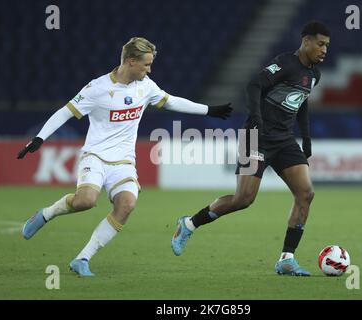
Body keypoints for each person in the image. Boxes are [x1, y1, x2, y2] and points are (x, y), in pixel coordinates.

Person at [18, 37, 232, 277]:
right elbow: (65, 112)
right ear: (131, 62)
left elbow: (171, 101)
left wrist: (209, 110)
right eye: (146, 65)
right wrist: (39, 138)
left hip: (124, 161)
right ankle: (47, 213)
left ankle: (82, 258)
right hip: (95, 156)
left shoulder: (146, 86)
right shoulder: (97, 88)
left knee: (127, 205)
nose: (149, 70)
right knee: (85, 201)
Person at [171, 21, 330, 276]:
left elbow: (301, 103)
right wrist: (256, 117)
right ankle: (189, 223)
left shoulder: (315, 75)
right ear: (306, 41)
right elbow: (254, 85)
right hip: (255, 136)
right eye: (320, 44)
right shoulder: (286, 63)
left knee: (306, 194)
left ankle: (287, 259)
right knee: (243, 199)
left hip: (284, 140)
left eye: (327, 46)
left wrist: (307, 137)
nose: (324, 50)